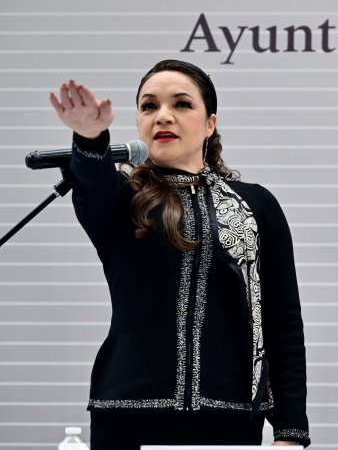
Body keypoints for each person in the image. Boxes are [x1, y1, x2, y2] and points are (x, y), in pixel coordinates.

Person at [48, 60, 310, 448]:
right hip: (128, 415)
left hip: (228, 418)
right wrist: (89, 138)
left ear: (210, 123)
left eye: (182, 104)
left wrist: (290, 431)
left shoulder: (254, 204)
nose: (162, 116)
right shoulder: (122, 199)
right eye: (148, 106)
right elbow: (93, 183)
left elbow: (282, 322)